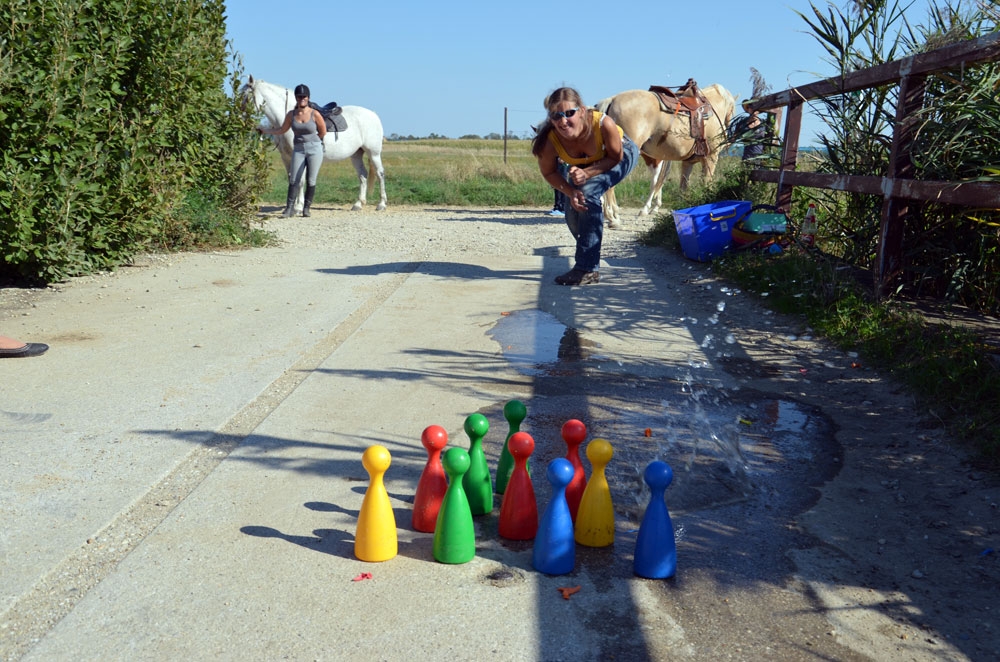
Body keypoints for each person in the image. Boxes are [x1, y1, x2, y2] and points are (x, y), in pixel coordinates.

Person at [532, 87, 638, 286]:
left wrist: (587, 173)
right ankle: (589, 250)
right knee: (574, 210)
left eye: (569, 113)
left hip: (620, 154)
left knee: (588, 194)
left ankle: (587, 268)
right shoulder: (550, 141)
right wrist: (570, 191)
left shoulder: (603, 123)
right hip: (586, 164)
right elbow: (549, 172)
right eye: (556, 116)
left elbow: (616, 157)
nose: (563, 121)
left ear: (581, 110)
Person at [260, 83, 327, 217]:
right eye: (299, 96)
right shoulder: (291, 115)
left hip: (314, 149)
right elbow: (281, 130)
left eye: (304, 96)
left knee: (311, 179)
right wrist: (265, 130)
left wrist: (313, 142)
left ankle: (306, 208)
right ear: (296, 98)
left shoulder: (315, 114)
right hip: (298, 150)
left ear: (308, 98)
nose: (302, 98)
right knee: (293, 178)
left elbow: (323, 131)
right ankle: (289, 208)